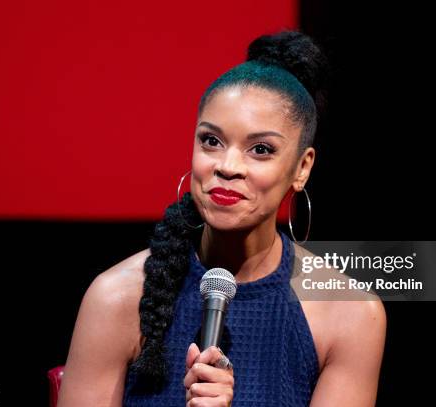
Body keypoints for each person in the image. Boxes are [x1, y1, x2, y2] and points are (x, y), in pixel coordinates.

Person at [57, 30, 386, 407]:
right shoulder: (116, 297)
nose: (227, 167)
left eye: (260, 150)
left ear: (302, 167)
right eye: (211, 141)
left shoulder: (351, 315)